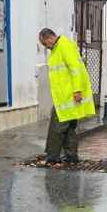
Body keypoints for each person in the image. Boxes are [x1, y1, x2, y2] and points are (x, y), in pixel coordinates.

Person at [39, 28, 96, 164]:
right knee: (69, 128)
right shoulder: (58, 48)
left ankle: (52, 157)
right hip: (64, 98)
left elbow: (75, 69)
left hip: (68, 97)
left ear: (49, 38)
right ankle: (71, 156)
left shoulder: (64, 46)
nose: (45, 47)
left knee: (56, 128)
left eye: (45, 43)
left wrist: (77, 90)